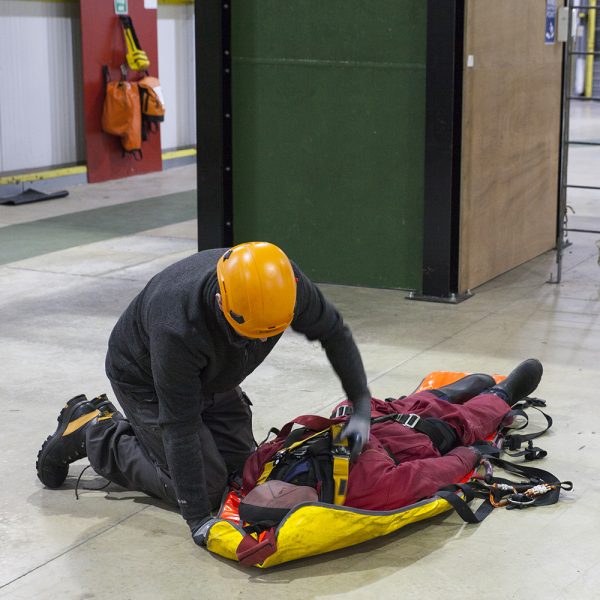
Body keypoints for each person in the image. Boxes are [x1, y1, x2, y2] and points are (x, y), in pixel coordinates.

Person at [35, 242, 372, 544]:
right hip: (145, 378)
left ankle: (127, 434)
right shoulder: (177, 326)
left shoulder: (282, 283)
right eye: (246, 335)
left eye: (265, 337)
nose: (256, 345)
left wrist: (360, 405)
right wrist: (197, 518)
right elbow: (178, 426)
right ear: (219, 301)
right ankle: (98, 432)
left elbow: (334, 333)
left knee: (246, 470)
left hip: (213, 376)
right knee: (208, 490)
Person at [240, 359, 544, 518]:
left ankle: (450, 395)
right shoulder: (262, 469)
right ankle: (496, 394)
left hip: (373, 421)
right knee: (462, 421)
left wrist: (472, 455)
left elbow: (426, 474)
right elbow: (427, 473)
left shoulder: (264, 467)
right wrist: (470, 453)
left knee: (362, 408)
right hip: (408, 430)